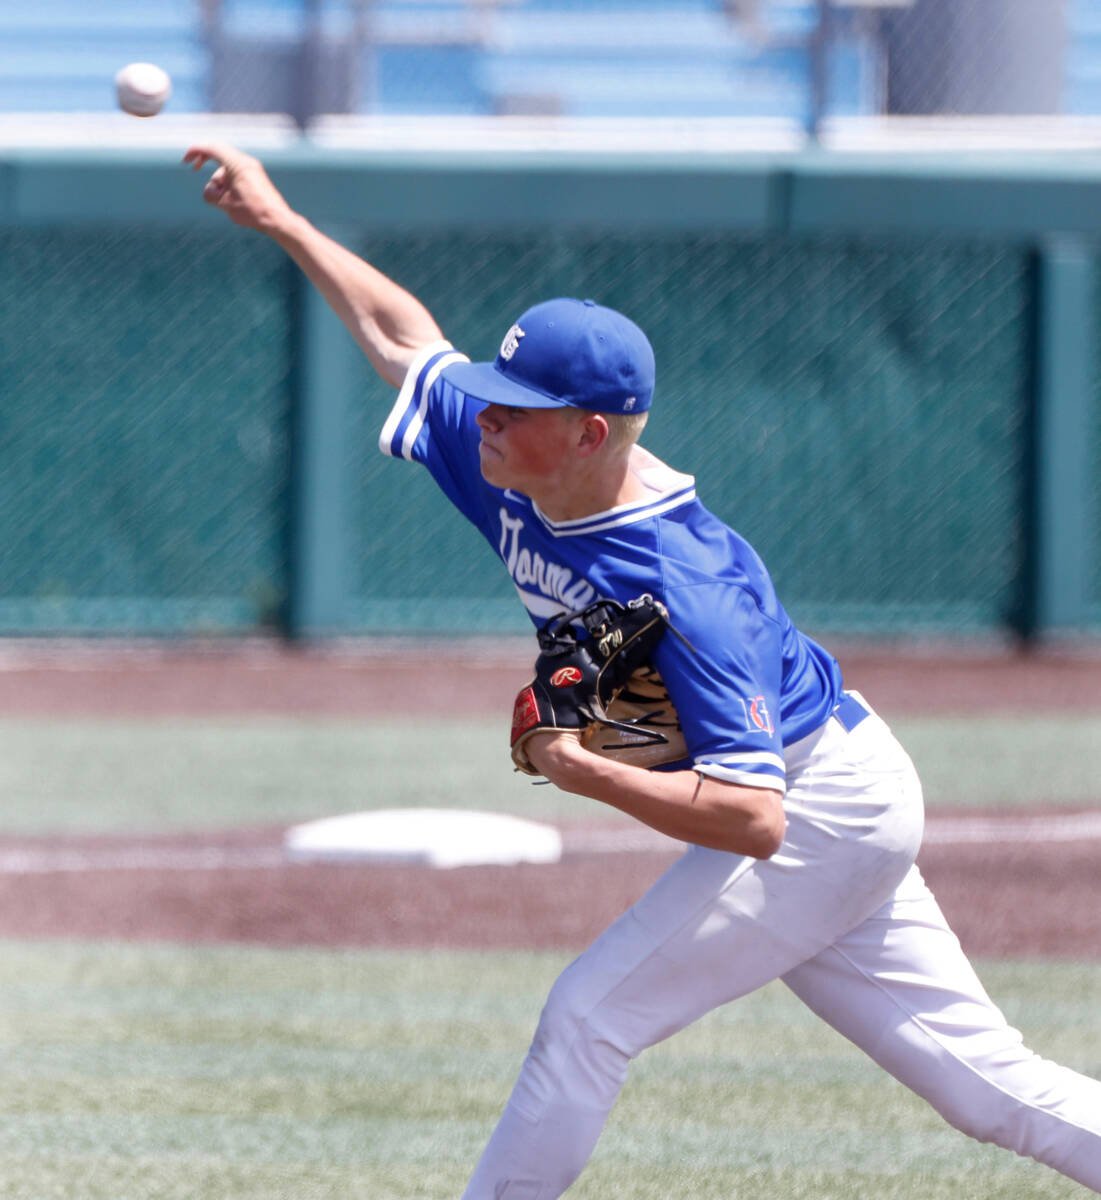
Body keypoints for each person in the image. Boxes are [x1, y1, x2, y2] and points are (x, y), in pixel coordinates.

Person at [184, 143, 1101, 1197]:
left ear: (585, 434)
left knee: (588, 1018)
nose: (484, 413)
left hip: (818, 802)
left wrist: (581, 772)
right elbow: (408, 342)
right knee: (989, 1092)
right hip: (834, 782)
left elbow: (756, 821)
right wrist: (284, 220)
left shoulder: (691, 583)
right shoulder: (511, 465)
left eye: (512, 406)